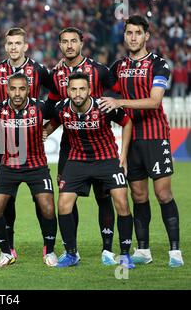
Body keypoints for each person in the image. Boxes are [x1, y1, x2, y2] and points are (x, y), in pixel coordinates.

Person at [99, 15, 184, 267]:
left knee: (163, 193)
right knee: (138, 196)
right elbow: (94, 77)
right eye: (129, 33)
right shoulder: (118, 67)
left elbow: (155, 101)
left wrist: (120, 101)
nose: (133, 37)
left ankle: (175, 252)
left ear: (147, 36)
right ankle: (144, 250)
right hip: (131, 138)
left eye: (138, 32)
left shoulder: (159, 64)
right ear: (124, 36)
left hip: (155, 137)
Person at [0, 27, 57, 262]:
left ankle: (48, 248)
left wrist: (46, 126)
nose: (13, 47)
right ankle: (7, 248)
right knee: (3, 203)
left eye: (18, 43)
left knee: (44, 203)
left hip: (33, 144)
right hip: (6, 144)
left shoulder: (38, 70)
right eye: (10, 43)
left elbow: (57, 94)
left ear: (25, 46)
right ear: (5, 45)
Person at [45, 72, 134, 268]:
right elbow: (53, 123)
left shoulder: (103, 106)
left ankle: (125, 255)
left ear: (89, 90)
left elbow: (127, 123)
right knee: (63, 205)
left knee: (121, 202)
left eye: (82, 89)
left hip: (107, 159)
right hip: (77, 160)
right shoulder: (61, 108)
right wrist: (43, 132)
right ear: (68, 91)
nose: (78, 93)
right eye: (74, 89)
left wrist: (124, 154)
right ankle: (71, 254)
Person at [46, 27, 119, 265]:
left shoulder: (99, 70)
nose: (69, 46)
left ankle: (107, 249)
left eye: (73, 41)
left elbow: (118, 91)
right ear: (60, 46)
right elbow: (53, 108)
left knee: (103, 195)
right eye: (65, 42)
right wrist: (44, 130)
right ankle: (72, 251)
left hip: (99, 141)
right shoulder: (56, 74)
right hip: (71, 144)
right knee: (68, 197)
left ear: (81, 43)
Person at [0, 73, 58, 268]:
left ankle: (49, 250)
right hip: (9, 166)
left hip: (37, 166)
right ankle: (6, 252)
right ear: (7, 90)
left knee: (48, 208)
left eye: (21, 89)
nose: (17, 93)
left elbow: (60, 116)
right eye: (13, 89)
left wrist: (47, 130)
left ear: (28, 89)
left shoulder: (41, 107)